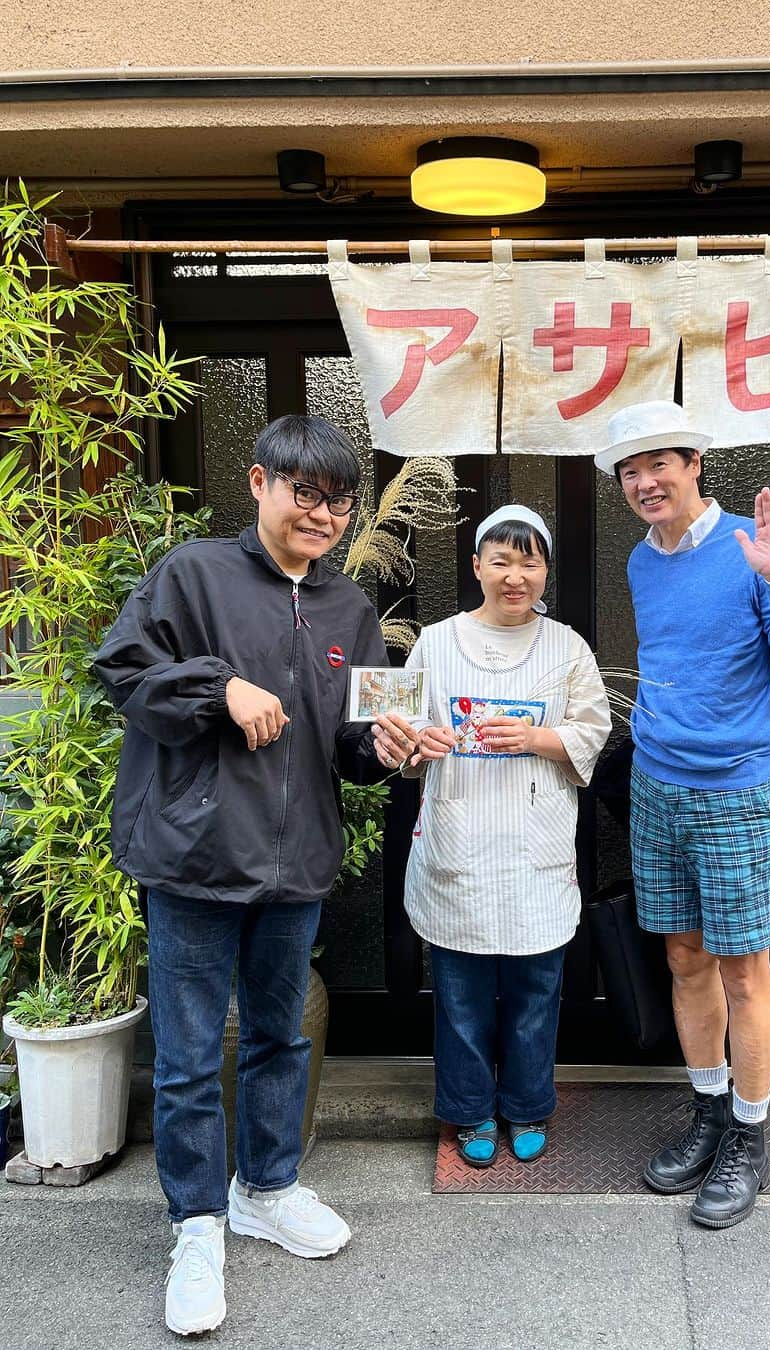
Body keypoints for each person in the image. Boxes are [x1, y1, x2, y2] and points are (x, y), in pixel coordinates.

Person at [93, 415, 418, 1336]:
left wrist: (388, 747)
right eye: (304, 491)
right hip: (194, 859)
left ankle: (266, 1189)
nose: (322, 512)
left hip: (296, 864)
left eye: (339, 499)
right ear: (260, 484)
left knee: (279, 1040)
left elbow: (358, 747)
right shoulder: (193, 574)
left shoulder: (351, 610)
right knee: (192, 1057)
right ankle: (196, 1225)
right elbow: (121, 667)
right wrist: (217, 686)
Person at [594, 400, 770, 1230]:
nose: (644, 482)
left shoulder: (745, 551)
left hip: (737, 788)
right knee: (685, 958)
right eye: (629, 470)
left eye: (659, 463)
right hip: (659, 784)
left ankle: (751, 1138)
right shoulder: (640, 560)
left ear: (695, 462)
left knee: (743, 968)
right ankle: (707, 1111)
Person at [402, 506, 611, 1167]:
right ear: (476, 568)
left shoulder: (568, 647)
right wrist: (416, 743)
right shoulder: (435, 642)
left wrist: (538, 738)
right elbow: (397, 738)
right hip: (458, 846)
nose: (514, 575)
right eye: (501, 560)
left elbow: (594, 730)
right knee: (460, 997)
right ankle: (468, 1114)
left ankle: (526, 1106)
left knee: (533, 995)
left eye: (528, 561)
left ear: (545, 570)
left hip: (534, 853)